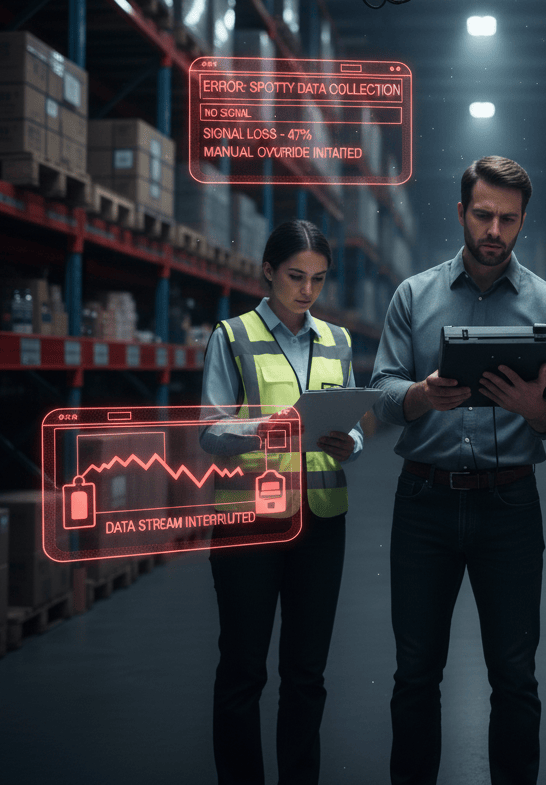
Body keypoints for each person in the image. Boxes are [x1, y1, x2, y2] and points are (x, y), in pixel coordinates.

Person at [370, 155, 546, 785]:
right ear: (461, 212)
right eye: (483, 214)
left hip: (510, 506)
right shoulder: (414, 295)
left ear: (522, 223)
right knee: (415, 675)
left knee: (515, 677)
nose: (494, 229)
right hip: (425, 502)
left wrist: (537, 410)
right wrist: (420, 396)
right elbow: (380, 389)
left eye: (507, 219)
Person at [200, 219, 364, 785]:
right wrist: (266, 429)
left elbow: (352, 425)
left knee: (306, 672)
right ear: (268, 271)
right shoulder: (232, 336)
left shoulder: (338, 341)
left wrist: (352, 442)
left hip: (320, 524)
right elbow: (210, 432)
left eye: (318, 279)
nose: (307, 291)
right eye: (295, 276)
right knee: (244, 670)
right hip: (250, 523)